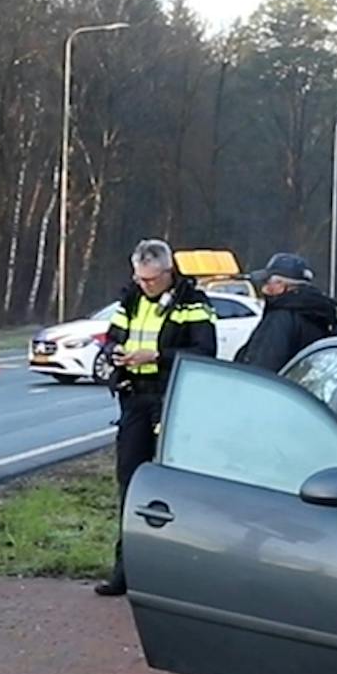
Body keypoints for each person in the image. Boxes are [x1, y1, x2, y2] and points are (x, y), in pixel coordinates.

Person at [95, 238, 217, 598]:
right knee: (129, 483)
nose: (144, 286)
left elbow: (204, 351)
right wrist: (114, 351)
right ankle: (125, 569)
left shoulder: (192, 303)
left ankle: (174, 572)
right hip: (134, 397)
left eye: (150, 280)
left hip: (170, 398)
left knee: (172, 484)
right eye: (139, 278)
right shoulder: (130, 298)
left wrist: (156, 355)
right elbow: (112, 337)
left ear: (168, 272)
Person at [235, 252, 337, 373]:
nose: (263, 288)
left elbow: (265, 365)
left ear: (282, 285)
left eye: (267, 281)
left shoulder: (281, 317)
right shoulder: (323, 313)